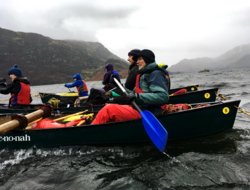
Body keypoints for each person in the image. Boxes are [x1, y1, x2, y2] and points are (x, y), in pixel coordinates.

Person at [91, 49, 169, 124]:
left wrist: (137, 96)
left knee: (108, 109)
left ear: (147, 60)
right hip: (140, 109)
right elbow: (132, 93)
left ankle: (89, 132)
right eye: (137, 60)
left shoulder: (155, 74)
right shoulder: (142, 75)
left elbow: (163, 97)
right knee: (109, 108)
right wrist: (118, 86)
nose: (137, 62)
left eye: (140, 59)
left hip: (149, 112)